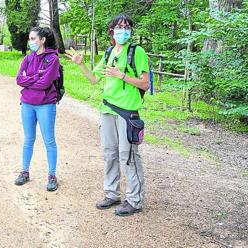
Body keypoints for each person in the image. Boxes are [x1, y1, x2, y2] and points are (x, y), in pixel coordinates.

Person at [65, 13, 150, 216]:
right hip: (107, 109)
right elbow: (94, 79)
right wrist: (80, 63)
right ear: (112, 30)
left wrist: (122, 75)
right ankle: (112, 194)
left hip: (127, 112)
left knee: (128, 156)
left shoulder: (137, 52)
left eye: (127, 27)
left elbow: (145, 84)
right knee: (110, 154)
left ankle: (134, 200)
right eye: (119, 27)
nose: (123, 31)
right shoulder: (110, 51)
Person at [13, 26, 61, 192]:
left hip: (46, 104)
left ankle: (52, 175)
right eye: (30, 38)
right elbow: (19, 79)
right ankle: (24, 172)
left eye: (33, 38)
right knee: (28, 139)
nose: (30, 41)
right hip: (27, 103)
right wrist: (36, 78)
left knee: (49, 140)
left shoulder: (53, 59)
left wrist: (30, 80)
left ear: (42, 40)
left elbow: (45, 84)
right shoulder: (28, 58)